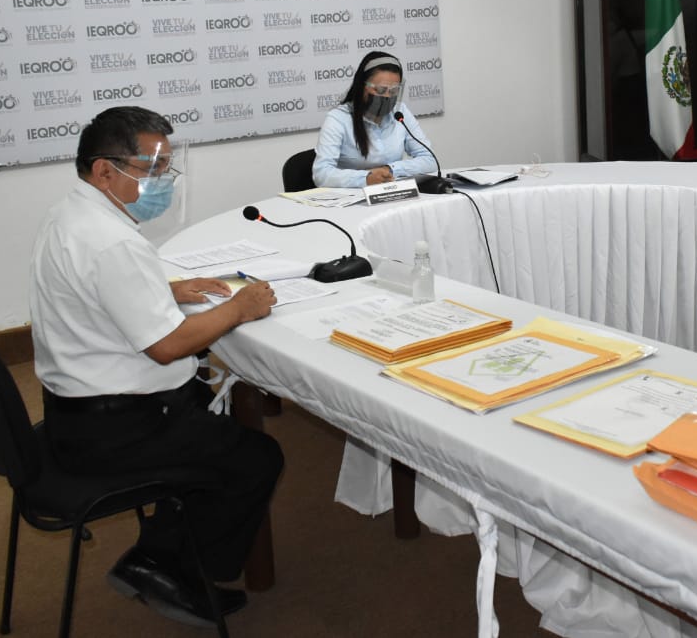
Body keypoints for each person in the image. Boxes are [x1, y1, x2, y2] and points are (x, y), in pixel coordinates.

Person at [29, 106, 283, 627]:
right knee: (257, 457)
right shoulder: (114, 242)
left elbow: (96, 293)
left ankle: (160, 555)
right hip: (117, 429)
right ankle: (177, 571)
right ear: (104, 171)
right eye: (152, 168)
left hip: (74, 413)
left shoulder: (71, 215)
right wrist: (240, 307)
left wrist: (163, 289)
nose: (163, 180)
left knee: (207, 417)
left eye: (167, 166)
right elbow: (167, 347)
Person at [312, 51, 438, 187]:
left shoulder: (400, 112)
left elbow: (429, 159)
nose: (387, 96)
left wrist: (390, 169)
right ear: (362, 87)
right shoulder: (338, 118)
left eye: (394, 91)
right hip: (353, 196)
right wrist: (366, 178)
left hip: (391, 192)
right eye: (380, 90)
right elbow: (321, 174)